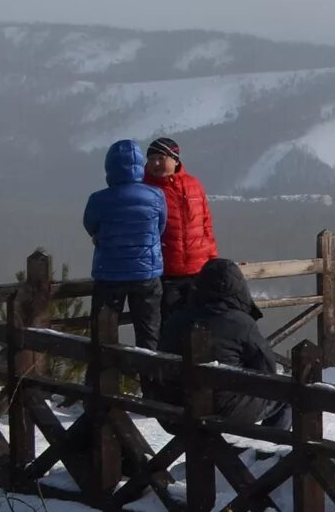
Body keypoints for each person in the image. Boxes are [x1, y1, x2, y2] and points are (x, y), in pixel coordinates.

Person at [157, 256, 285, 425]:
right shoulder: (240, 323)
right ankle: (270, 448)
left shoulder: (177, 318)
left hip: (173, 407)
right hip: (222, 409)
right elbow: (267, 370)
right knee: (287, 394)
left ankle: (219, 450)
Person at [81, 138, 168, 347]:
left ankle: (102, 376)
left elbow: (90, 225)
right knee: (149, 334)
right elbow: (160, 228)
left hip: (109, 272)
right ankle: (150, 377)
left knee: (103, 335)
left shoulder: (98, 199)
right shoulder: (156, 196)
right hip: (147, 274)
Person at [145, 137, 218, 310]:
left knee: (197, 326)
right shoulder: (145, 189)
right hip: (165, 273)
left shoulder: (194, 185)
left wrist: (212, 260)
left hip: (198, 270)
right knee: (169, 327)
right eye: (151, 159)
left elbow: (206, 224)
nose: (155, 163)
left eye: (161, 158)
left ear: (175, 159)